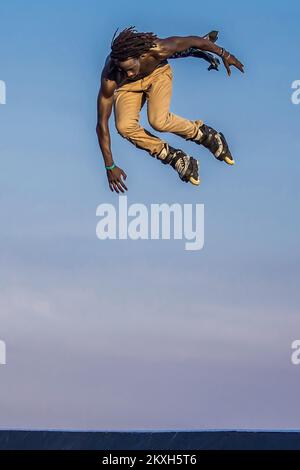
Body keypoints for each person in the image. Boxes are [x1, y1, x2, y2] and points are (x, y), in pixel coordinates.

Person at [96, 26, 244, 193]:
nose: (129, 73)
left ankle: (206, 136)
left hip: (158, 74)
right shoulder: (111, 77)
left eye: (131, 68)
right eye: (124, 70)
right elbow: (101, 124)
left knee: (158, 121)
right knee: (123, 126)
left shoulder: (157, 48)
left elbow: (193, 41)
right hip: (127, 88)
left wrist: (225, 54)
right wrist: (110, 166)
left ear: (141, 56)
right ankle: (173, 157)